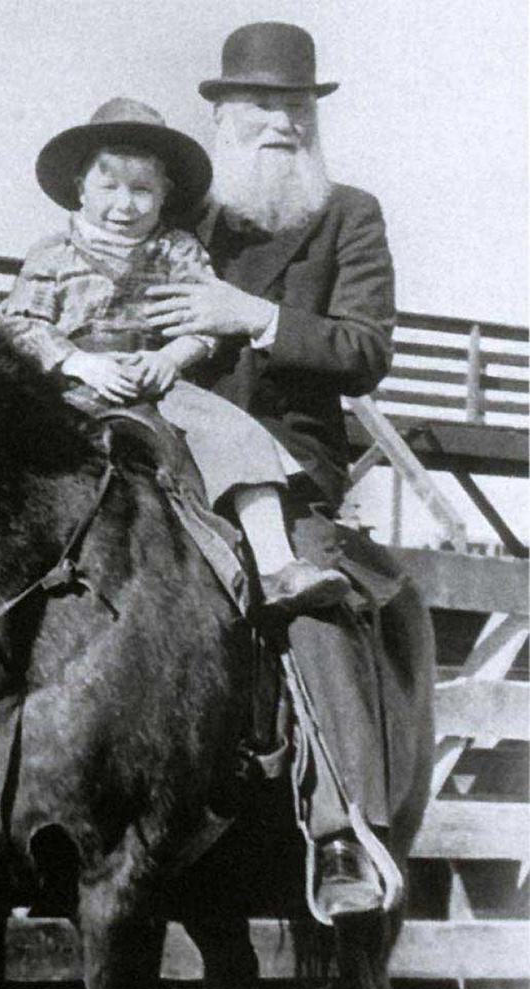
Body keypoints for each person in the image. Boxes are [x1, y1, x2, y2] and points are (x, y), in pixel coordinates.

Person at [143, 22, 400, 918]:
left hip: (283, 460)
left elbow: (365, 349)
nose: (280, 124)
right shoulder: (171, 213)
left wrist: (248, 314)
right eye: (258, 106)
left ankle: (342, 832)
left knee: (311, 595)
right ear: (220, 115)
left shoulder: (348, 214)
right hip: (155, 435)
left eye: (295, 106)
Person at [0, 96, 352, 616]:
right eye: (109, 188)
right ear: (80, 188)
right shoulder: (53, 253)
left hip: (155, 378)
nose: (126, 205)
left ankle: (277, 564)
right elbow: (17, 323)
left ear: (165, 193)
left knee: (237, 434)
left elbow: (206, 325)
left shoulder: (178, 251)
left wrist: (170, 359)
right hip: (72, 379)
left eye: (143, 190)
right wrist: (78, 362)